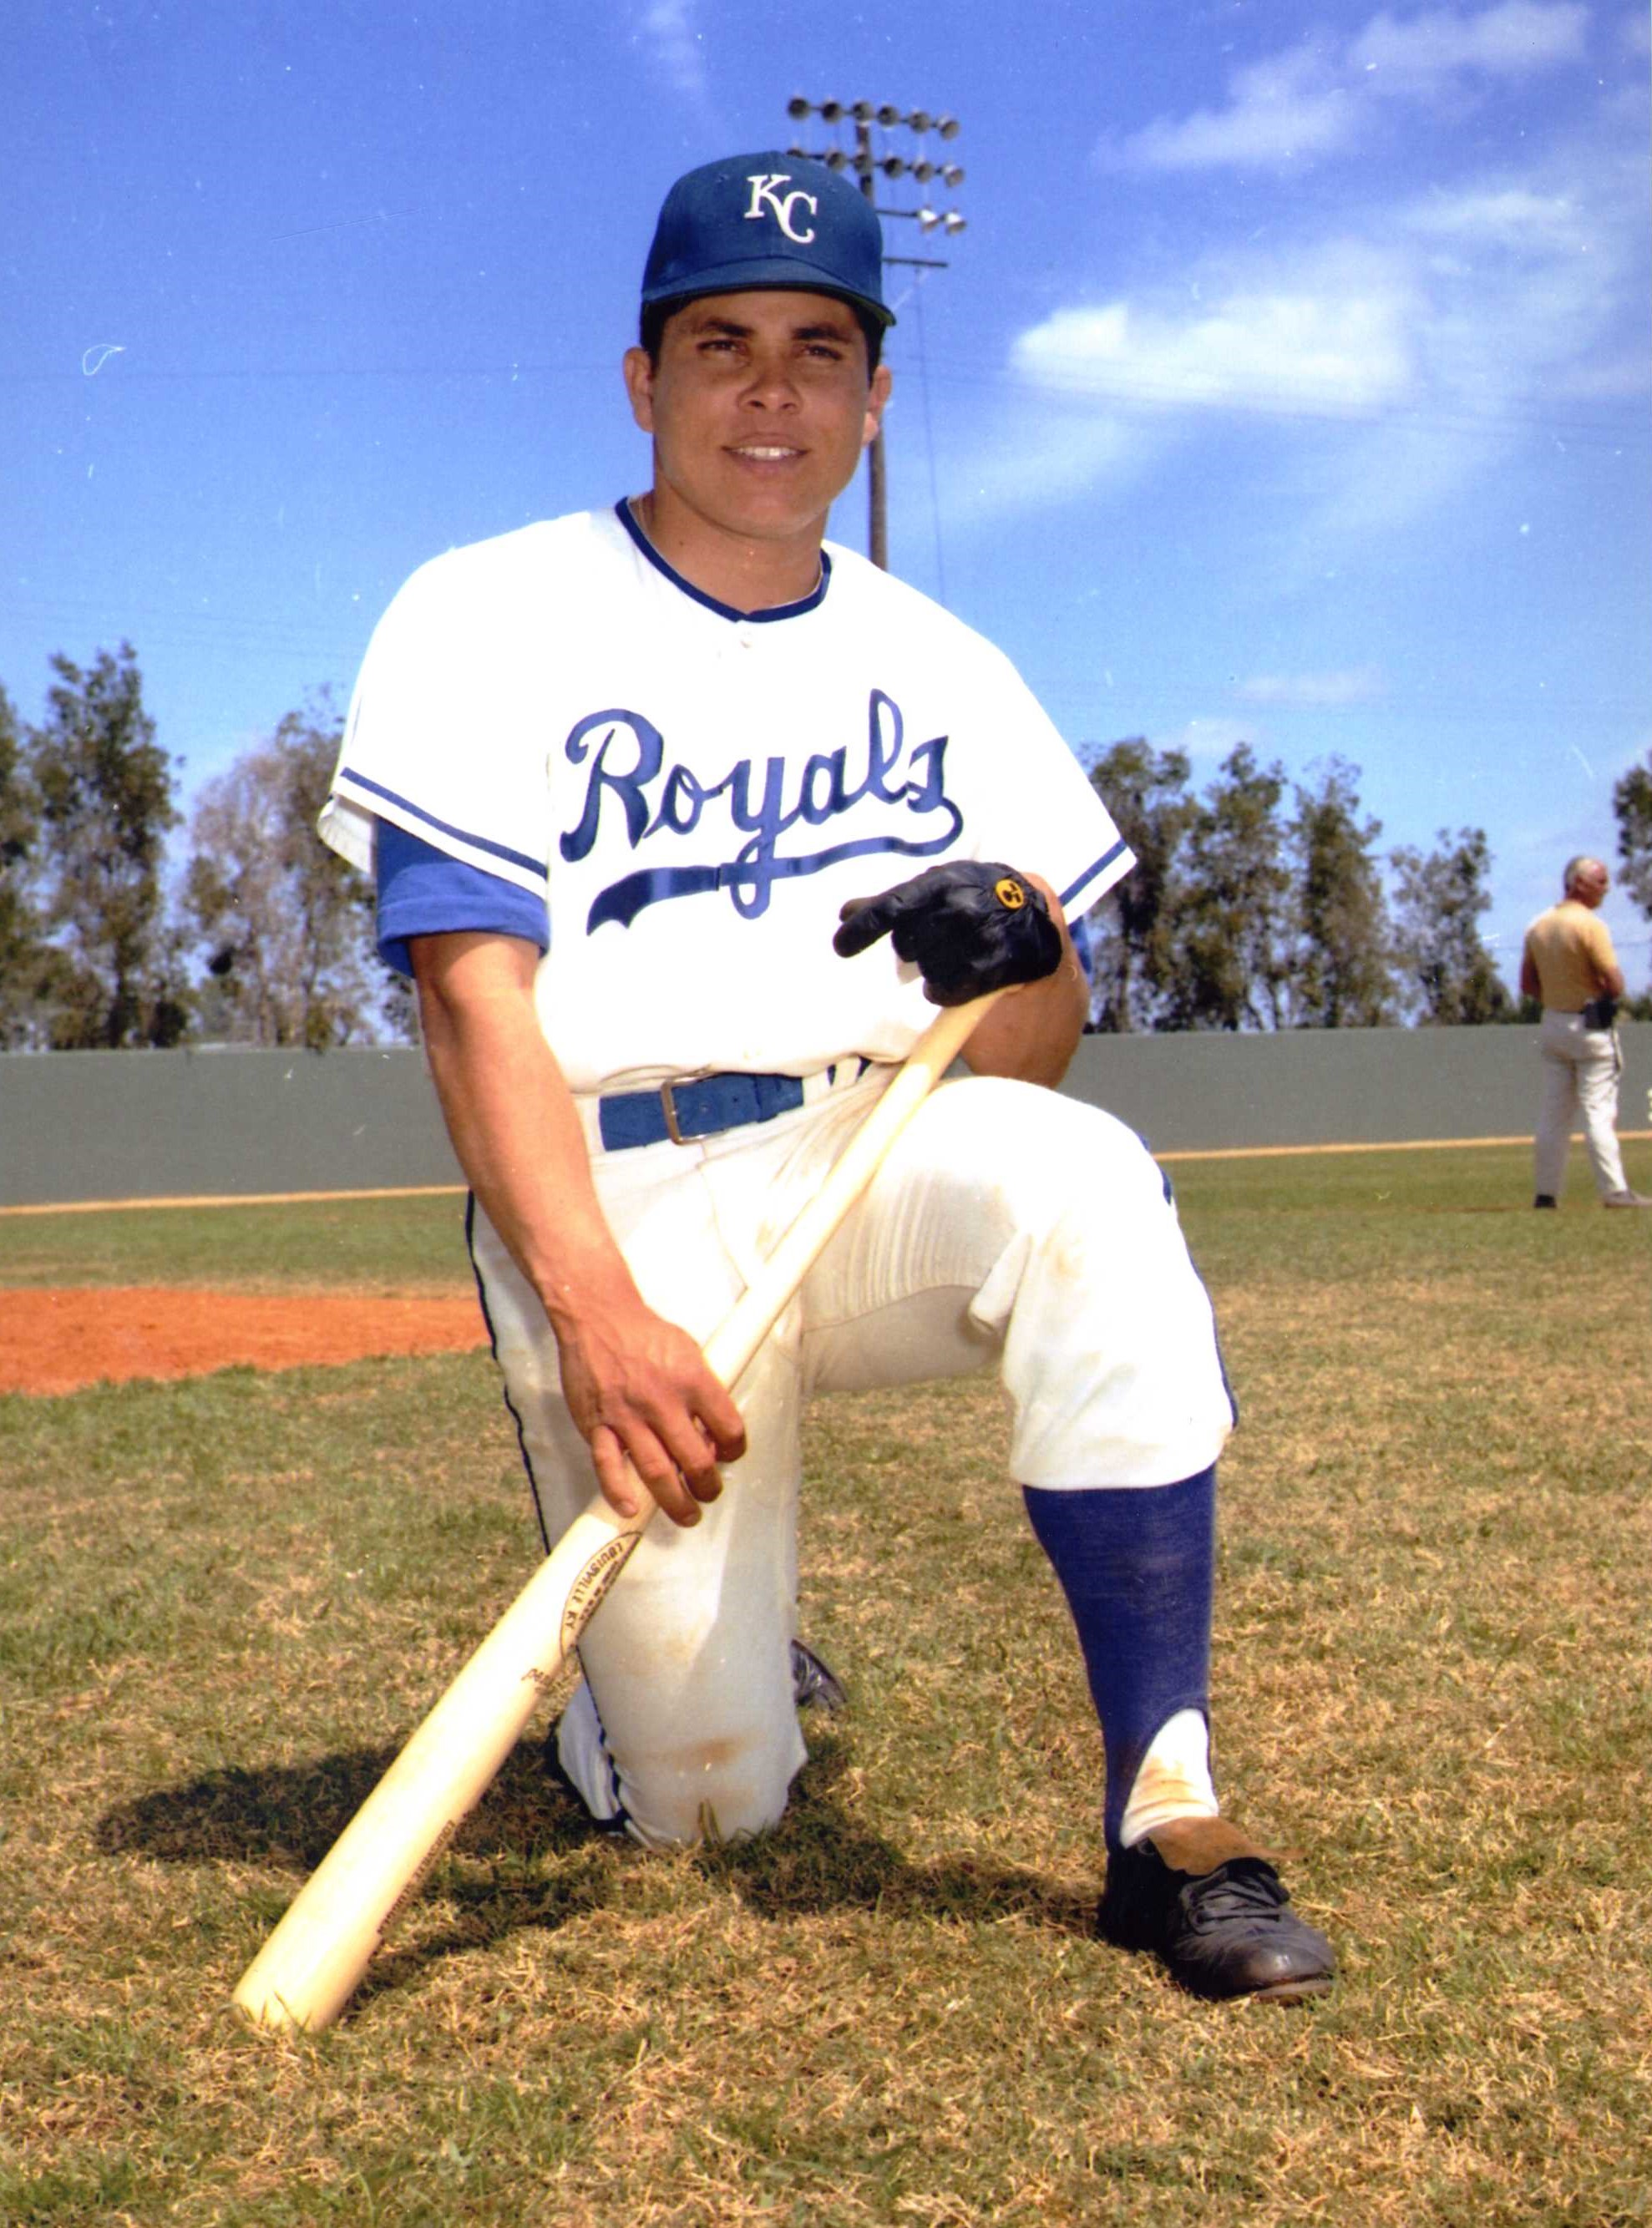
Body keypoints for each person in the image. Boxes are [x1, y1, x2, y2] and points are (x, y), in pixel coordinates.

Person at [318, 152, 1334, 2002]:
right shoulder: (489, 612)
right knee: (706, 1813)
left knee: (1087, 1180)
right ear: (642, 381)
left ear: (873, 398)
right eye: (720, 343)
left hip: (872, 1153)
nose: (769, 389)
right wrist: (592, 1305)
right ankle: (672, 1687)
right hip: (615, 1196)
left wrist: (1017, 944)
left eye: (818, 347)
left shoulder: (939, 661)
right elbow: (472, 997)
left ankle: (1167, 1810)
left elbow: (1033, 1043)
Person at [1520, 855, 1648, 1209]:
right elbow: (1614, 981)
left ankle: (1546, 1194)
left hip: (1554, 1023)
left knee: (1553, 1114)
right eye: (1600, 881)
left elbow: (1527, 983)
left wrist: (1558, 997)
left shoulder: (1539, 925)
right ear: (1578, 883)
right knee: (1598, 1111)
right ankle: (1614, 1190)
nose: (1606, 888)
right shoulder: (1591, 926)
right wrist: (1596, 994)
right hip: (1591, 1026)